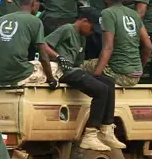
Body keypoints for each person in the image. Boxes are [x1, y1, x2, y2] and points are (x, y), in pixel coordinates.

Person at [42, 8, 116, 151]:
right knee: (100, 90)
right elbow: (43, 45)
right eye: (92, 28)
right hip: (63, 71)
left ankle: (106, 129)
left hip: (75, 70)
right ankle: (90, 134)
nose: (92, 32)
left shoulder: (82, 37)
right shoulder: (67, 29)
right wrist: (58, 57)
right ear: (84, 21)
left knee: (108, 83)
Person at [96, 0, 151, 98]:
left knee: (85, 66)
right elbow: (148, 46)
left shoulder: (107, 13)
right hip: (136, 76)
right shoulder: (134, 15)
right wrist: (138, 68)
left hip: (122, 75)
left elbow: (108, 47)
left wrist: (95, 77)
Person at [0, 0, 46, 88]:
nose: (38, 8)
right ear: (34, 2)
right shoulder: (35, 21)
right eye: (38, 5)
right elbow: (43, 55)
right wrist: (52, 79)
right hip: (22, 74)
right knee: (57, 69)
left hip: (1, 76)